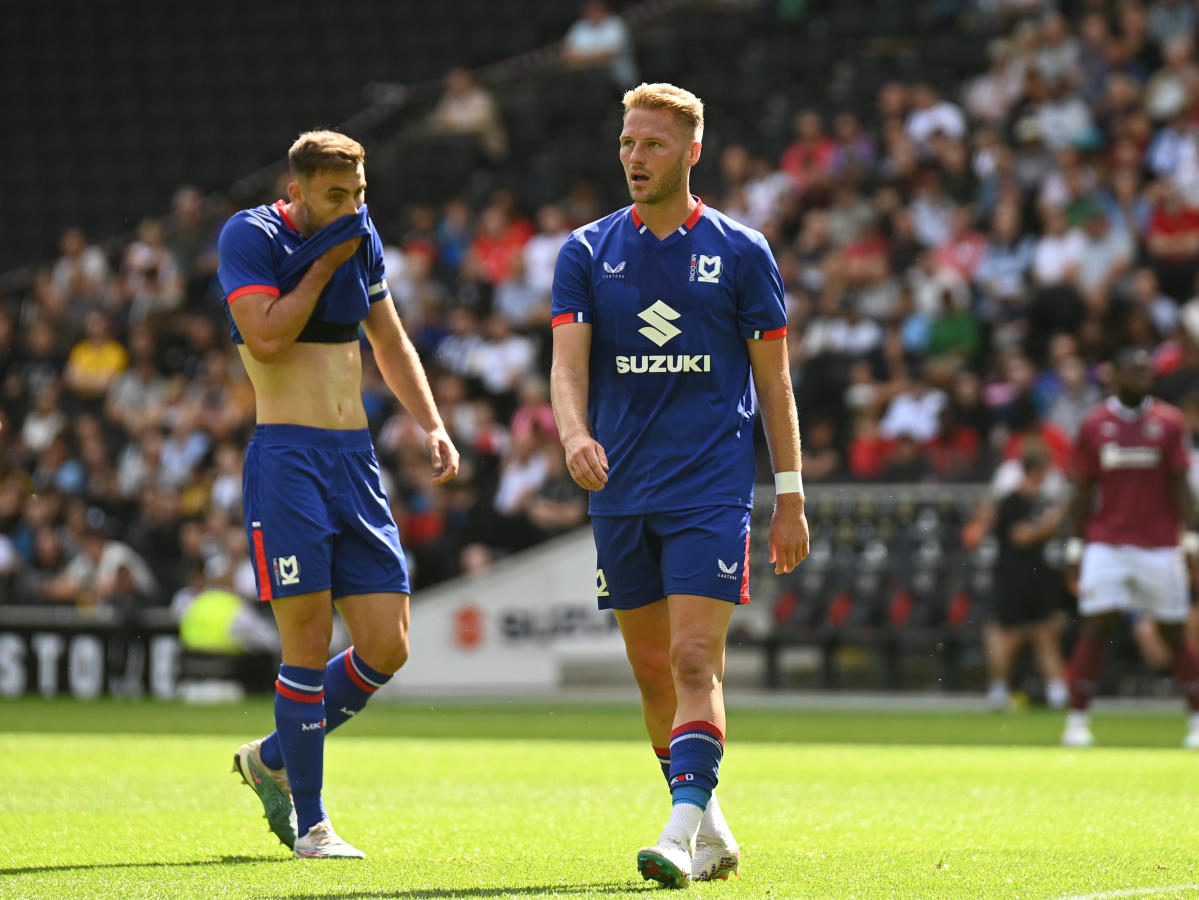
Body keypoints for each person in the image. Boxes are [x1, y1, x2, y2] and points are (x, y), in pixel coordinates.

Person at [549, 83, 809, 887]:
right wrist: (574, 434)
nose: (634, 157)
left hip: (710, 489)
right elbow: (566, 368)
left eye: (652, 144)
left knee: (695, 661)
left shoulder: (740, 250)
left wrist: (791, 493)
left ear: (691, 151)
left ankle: (675, 831)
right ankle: (712, 825)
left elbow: (775, 384)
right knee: (654, 674)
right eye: (627, 143)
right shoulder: (586, 251)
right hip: (620, 490)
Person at [217, 130, 459, 859]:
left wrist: (430, 423)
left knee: (387, 643)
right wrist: (324, 264)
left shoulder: (362, 238)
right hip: (287, 458)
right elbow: (264, 337)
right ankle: (310, 822)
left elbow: (388, 340)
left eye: (359, 194)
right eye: (336, 196)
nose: (353, 207)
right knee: (306, 642)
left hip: (353, 460)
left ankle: (271, 756)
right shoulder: (249, 236)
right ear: (295, 191)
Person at [1061, 347, 1199, 747]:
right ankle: (1076, 720)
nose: (1141, 378)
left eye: (1146, 372)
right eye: (1133, 371)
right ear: (1114, 376)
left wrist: (1189, 539)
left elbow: (1180, 485)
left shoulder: (1169, 423)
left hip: (1158, 543)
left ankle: (1194, 721)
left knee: (1172, 632)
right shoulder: (1093, 425)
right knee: (1097, 624)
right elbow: (1083, 490)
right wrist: (1075, 546)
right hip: (1108, 542)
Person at [984, 446, 1069, 711]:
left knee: (1046, 634)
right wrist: (1052, 521)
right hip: (1013, 578)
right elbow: (1021, 537)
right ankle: (998, 690)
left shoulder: (1041, 501)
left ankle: (1058, 693)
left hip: (1039, 577)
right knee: (1009, 637)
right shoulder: (1012, 502)